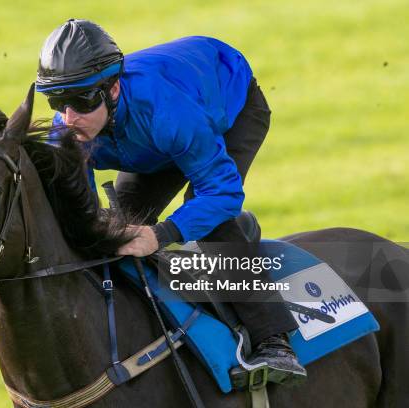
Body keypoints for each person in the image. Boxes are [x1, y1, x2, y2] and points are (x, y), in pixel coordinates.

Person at [35, 18, 306, 388]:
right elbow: (79, 213)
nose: (69, 117)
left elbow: (221, 192)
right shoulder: (67, 130)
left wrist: (162, 234)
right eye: (58, 101)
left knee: (209, 214)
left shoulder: (167, 111)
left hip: (228, 107)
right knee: (121, 229)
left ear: (112, 89)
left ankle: (275, 340)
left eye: (81, 102)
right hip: (151, 142)